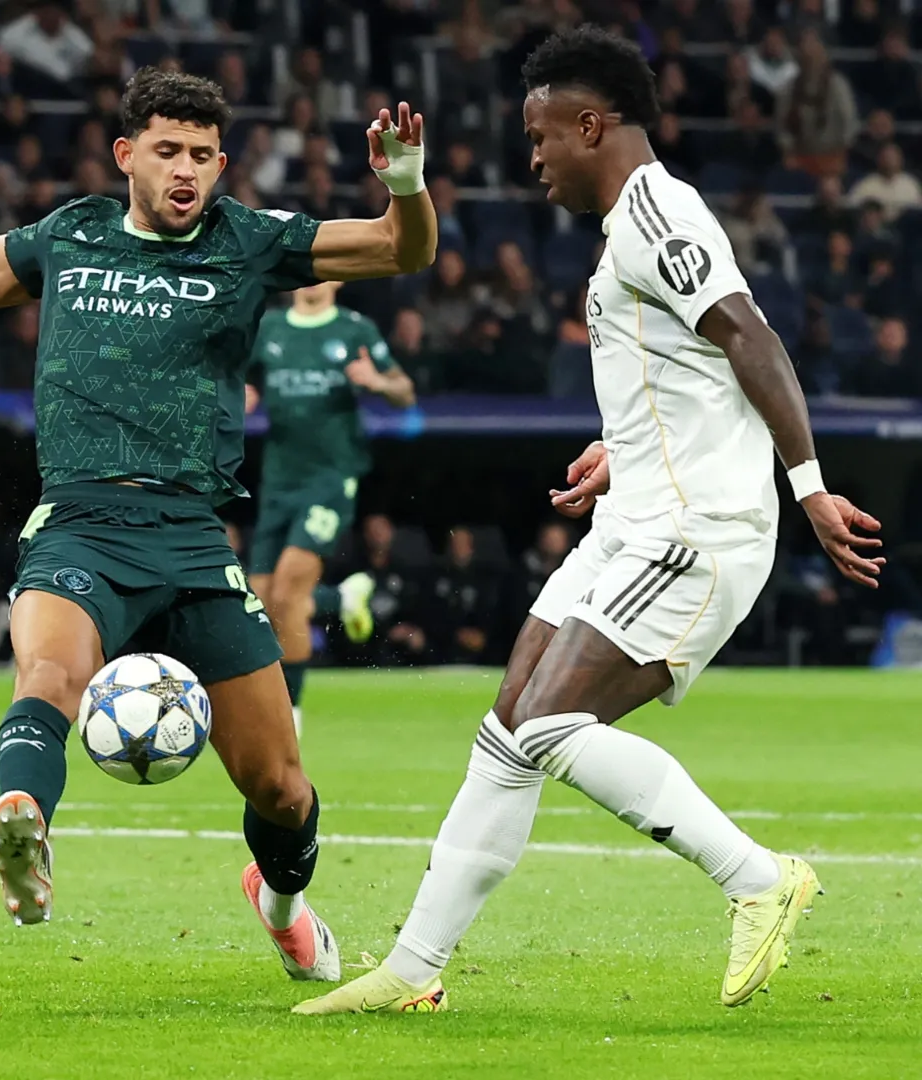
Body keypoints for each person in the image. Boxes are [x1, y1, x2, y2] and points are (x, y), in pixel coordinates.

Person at [298, 27, 883, 1016]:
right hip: (636, 516)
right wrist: (625, 450)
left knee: (554, 726)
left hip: (695, 534)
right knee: (507, 729)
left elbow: (753, 338)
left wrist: (810, 483)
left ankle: (758, 877)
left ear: (590, 124)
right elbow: (693, 368)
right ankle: (413, 970)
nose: (532, 161)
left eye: (539, 139)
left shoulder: (657, 216)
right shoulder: (631, 230)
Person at [0, 68, 436, 982]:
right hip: (79, 519)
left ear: (222, 163)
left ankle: (281, 903)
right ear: (128, 157)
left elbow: (404, 250)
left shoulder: (250, 241)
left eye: (202, 154)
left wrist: (405, 181)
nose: (185, 168)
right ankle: (23, 821)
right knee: (46, 672)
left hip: (195, 540)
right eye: (167, 151)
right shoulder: (71, 234)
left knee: (280, 783)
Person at [243, 279, 415, 734]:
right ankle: (341, 596)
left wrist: (376, 381)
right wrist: (241, 395)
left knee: (288, 593)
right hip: (279, 481)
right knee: (260, 601)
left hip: (330, 479)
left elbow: (405, 391)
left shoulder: (354, 329)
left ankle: (291, 714)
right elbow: (239, 379)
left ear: (337, 279)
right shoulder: (270, 329)